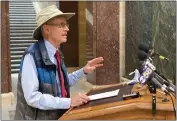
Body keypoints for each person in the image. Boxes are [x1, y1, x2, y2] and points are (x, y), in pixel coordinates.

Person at [14, 5, 104, 120]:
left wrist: (84, 71)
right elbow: (32, 97)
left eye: (66, 24)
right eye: (61, 25)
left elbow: (61, 82)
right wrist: (69, 102)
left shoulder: (56, 53)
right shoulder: (32, 55)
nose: (67, 29)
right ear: (47, 29)